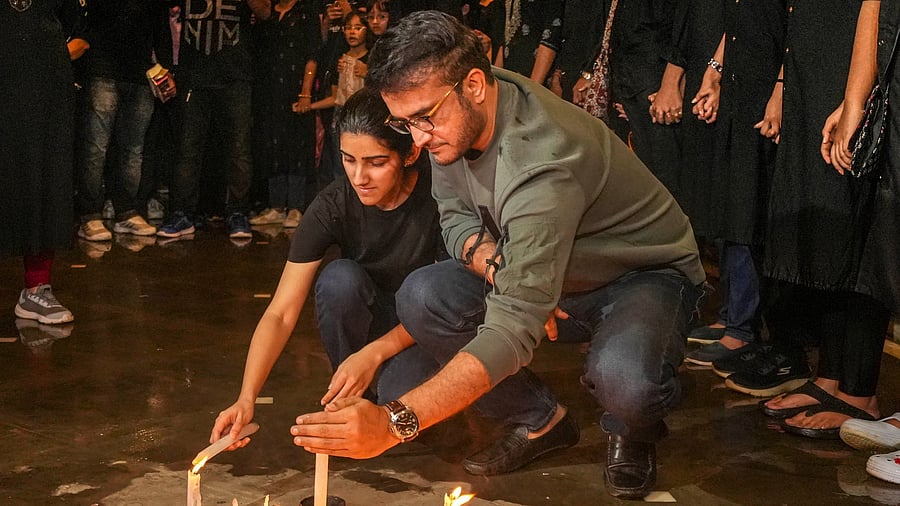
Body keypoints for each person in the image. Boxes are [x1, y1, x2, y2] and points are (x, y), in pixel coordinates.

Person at [289, 11, 706, 500]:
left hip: (639, 275)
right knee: (423, 295)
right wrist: (498, 265)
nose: (417, 139)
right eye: (405, 123)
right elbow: (454, 217)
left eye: (424, 118)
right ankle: (541, 420)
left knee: (625, 381)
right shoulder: (461, 116)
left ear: (473, 85)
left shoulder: (540, 161)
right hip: (543, 268)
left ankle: (633, 427)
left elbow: (510, 332)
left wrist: (392, 423)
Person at [210, 88, 444, 449]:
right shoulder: (334, 203)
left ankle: (382, 384)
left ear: (411, 152)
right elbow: (281, 312)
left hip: (427, 328)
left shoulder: (442, 194)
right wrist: (246, 397)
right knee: (338, 279)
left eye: (376, 162)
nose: (359, 176)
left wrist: (375, 353)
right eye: (348, 160)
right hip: (373, 320)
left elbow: (454, 301)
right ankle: (355, 389)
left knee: (405, 414)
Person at [755, 0, 889, 438]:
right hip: (818, 59)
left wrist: (856, 96)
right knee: (827, 224)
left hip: (857, 59)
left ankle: (859, 387)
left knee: (858, 218)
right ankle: (831, 375)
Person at [156, 0, 272, 241]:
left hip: (235, 75)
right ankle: (182, 213)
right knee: (187, 150)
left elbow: (265, 12)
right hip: (195, 76)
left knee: (239, 150)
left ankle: (238, 212)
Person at [2, 0, 85, 324]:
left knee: (43, 175)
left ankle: (37, 288)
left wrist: (52, 58)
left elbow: (78, 28)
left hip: (44, 89)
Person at [74, 0, 171, 243]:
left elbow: (161, 25)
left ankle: (127, 210)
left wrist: (167, 69)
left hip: (141, 73)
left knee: (133, 149)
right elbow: (83, 20)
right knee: (96, 147)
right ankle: (90, 215)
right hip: (101, 68)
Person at [249, 0, 322, 229]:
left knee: (297, 145)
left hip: (296, 87)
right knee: (273, 144)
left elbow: (313, 54)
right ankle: (276, 206)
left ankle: (296, 207)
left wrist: (306, 92)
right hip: (269, 89)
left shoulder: (305, 12)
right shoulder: (268, 14)